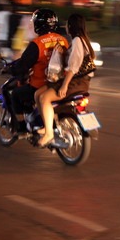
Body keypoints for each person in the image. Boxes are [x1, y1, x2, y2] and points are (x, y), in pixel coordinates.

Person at [35, 13, 96, 148]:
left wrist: (64, 86)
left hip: (75, 83)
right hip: (80, 81)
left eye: (67, 24)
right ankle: (47, 125)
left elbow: (73, 68)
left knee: (44, 98)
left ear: (71, 26)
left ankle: (49, 134)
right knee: (38, 94)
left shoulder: (77, 41)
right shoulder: (84, 40)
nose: (66, 26)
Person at [8, 8, 69, 134]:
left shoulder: (37, 43)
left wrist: (12, 69)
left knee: (15, 94)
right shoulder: (63, 40)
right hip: (58, 83)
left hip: (39, 84)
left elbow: (23, 64)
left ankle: (22, 127)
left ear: (38, 24)